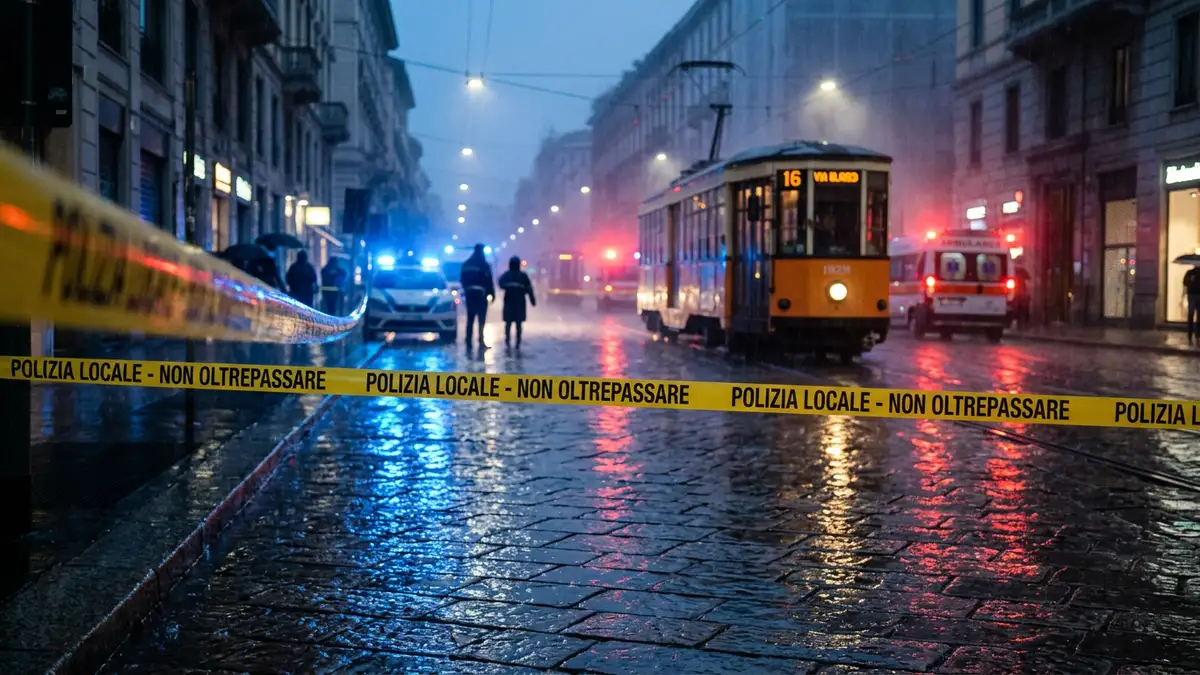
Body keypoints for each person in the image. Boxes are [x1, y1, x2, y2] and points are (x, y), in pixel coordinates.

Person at [459, 243, 495, 349]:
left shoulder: (466, 264)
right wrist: (492, 293)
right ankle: (480, 340)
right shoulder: (484, 265)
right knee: (481, 319)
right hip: (481, 295)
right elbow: (489, 281)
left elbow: (462, 279)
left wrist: (466, 290)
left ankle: (468, 340)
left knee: (470, 318)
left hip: (470, 294)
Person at [498, 255, 536, 349]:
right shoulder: (523, 276)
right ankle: (517, 342)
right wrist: (532, 300)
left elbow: (500, 283)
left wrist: (508, 287)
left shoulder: (506, 275)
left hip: (509, 302)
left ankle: (508, 340)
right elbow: (529, 288)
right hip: (519, 303)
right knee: (518, 324)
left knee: (508, 323)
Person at [1185, 265, 1200, 343]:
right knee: (1191, 316)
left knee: (1198, 317)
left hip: (1195, 295)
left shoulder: (1189, 273)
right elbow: (1185, 283)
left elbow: (1185, 283)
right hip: (1192, 296)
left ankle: (1197, 335)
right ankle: (1190, 335)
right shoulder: (1190, 273)